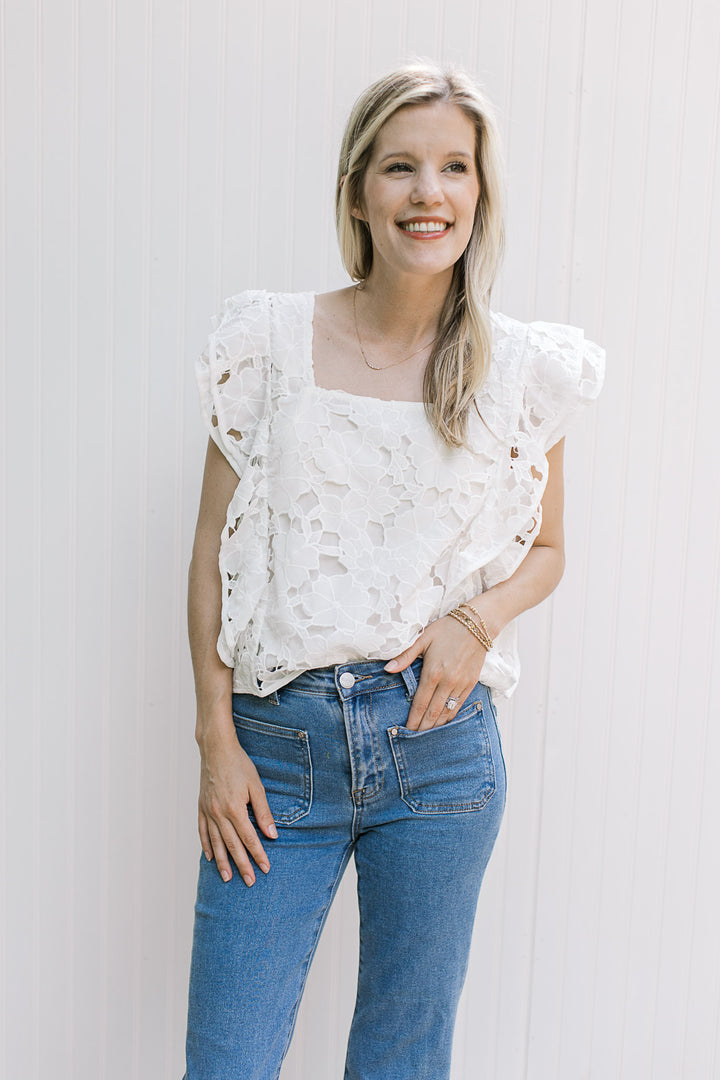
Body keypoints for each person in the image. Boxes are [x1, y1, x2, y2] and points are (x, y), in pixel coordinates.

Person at [182, 61, 604, 1080]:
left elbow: (548, 552)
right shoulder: (270, 343)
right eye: (401, 167)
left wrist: (478, 620)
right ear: (358, 192)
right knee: (227, 1060)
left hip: (442, 757)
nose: (430, 192)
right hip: (276, 755)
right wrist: (215, 740)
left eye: (455, 167)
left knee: (404, 1059)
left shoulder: (520, 370)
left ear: (479, 193)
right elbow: (209, 556)